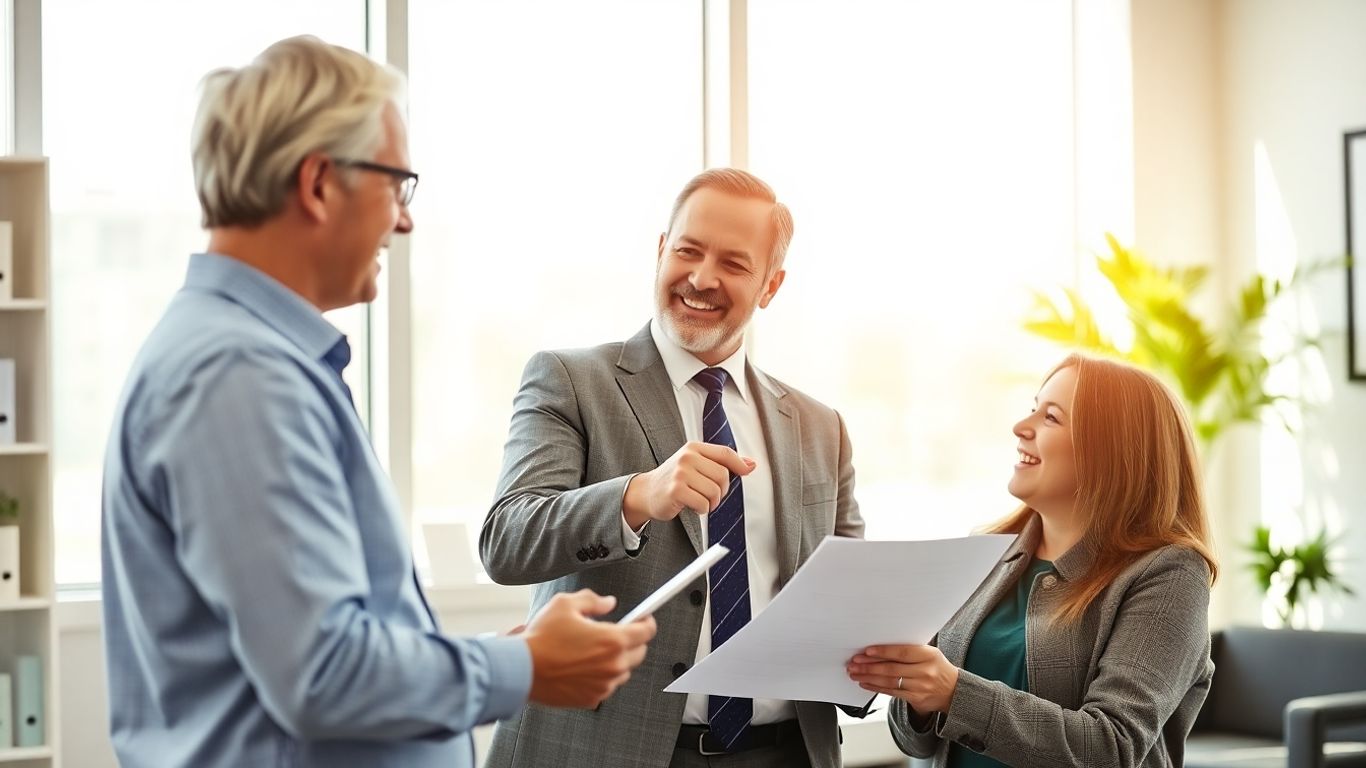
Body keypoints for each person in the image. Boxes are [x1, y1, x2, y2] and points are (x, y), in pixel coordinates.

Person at [100, 36, 655, 768]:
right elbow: (321, 675)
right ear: (320, 183)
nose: (405, 220)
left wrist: (511, 656)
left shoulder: (250, 358)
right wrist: (524, 669)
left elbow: (325, 644)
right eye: (398, 183)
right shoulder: (239, 373)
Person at [479, 168, 867, 768]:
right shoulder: (571, 380)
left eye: (734, 264)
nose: (702, 277)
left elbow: (843, 594)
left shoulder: (821, 427)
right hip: (605, 751)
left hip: (786, 751)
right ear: (661, 251)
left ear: (770, 285)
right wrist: (637, 496)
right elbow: (507, 541)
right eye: (688, 251)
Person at [846, 353, 1218, 768]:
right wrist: (914, 691)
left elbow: (1111, 747)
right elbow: (916, 743)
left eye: (1051, 418)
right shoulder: (984, 551)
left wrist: (953, 692)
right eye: (1032, 410)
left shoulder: (1170, 574)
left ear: (1112, 451)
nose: (1021, 428)